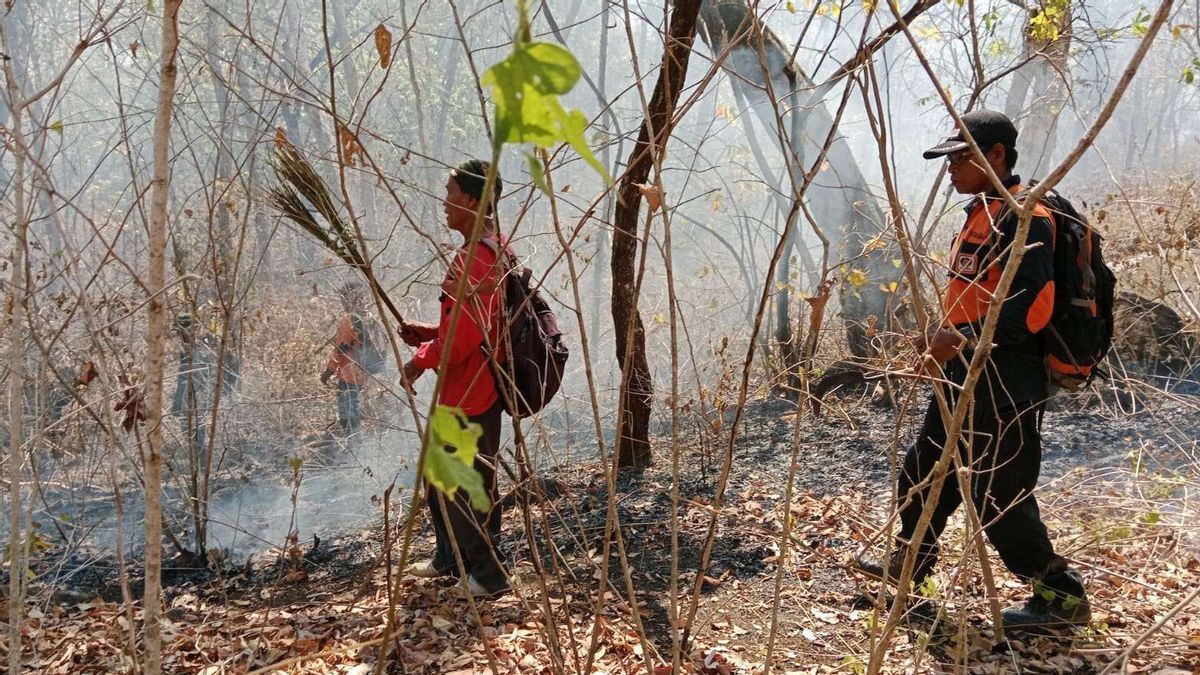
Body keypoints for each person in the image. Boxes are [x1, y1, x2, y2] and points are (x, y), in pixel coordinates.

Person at [856, 110, 1090, 628]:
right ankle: (909, 572)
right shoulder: (980, 212)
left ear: (997, 156)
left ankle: (1061, 599)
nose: (951, 169)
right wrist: (944, 339)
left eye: (960, 157)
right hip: (961, 369)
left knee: (997, 491)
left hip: (1006, 377)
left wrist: (956, 337)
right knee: (925, 470)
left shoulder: (1028, 214)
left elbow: (1031, 308)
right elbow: (974, 293)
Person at [398, 159, 510, 598]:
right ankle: (451, 558)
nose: (444, 203)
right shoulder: (489, 249)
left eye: (450, 194)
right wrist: (428, 333)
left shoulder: (476, 259)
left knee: (465, 485)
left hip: (471, 392)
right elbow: (470, 327)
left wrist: (419, 360)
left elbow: (463, 342)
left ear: (470, 199)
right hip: (470, 387)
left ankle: (489, 575)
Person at [172, 313, 239, 466]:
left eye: (180, 330)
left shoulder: (205, 344)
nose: (178, 334)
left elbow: (232, 362)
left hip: (203, 392)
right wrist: (177, 401)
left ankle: (203, 466)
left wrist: (222, 391)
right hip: (195, 394)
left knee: (197, 429)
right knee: (189, 429)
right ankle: (199, 464)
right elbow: (182, 376)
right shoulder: (186, 347)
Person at [321, 282, 372, 435]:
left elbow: (340, 350)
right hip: (364, 373)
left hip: (348, 375)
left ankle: (354, 445)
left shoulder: (349, 320)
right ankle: (356, 441)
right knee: (353, 408)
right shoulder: (369, 318)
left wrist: (328, 372)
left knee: (347, 414)